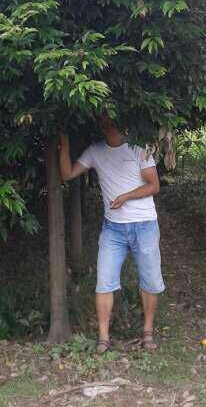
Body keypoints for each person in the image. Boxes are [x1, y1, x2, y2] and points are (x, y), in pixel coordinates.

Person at [58, 114, 164, 353]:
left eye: (110, 121)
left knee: (149, 280)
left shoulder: (138, 148)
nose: (107, 125)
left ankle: (148, 331)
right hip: (113, 228)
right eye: (103, 122)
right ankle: (103, 338)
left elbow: (153, 185)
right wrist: (64, 144)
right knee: (104, 282)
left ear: (121, 123)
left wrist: (127, 196)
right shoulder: (95, 151)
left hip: (144, 225)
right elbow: (67, 174)